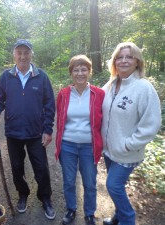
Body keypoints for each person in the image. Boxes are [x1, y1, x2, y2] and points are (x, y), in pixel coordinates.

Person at [0, 39, 56, 220]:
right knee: (17, 167)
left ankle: (45, 198)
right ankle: (23, 194)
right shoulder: (6, 76)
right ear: (14, 55)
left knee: (41, 167)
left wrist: (48, 129)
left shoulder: (41, 76)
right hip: (13, 132)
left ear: (31, 54)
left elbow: (50, 105)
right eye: (19, 52)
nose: (23, 56)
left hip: (36, 133)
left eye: (26, 52)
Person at [101, 42, 161, 225]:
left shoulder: (143, 88)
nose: (124, 60)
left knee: (113, 185)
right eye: (120, 57)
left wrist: (129, 144)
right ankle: (118, 217)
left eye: (129, 56)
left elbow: (152, 124)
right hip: (109, 150)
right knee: (116, 186)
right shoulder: (111, 84)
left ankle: (127, 218)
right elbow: (95, 103)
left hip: (127, 151)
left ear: (137, 62)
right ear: (114, 61)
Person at [55, 55, 104, 225]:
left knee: (89, 182)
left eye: (84, 69)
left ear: (89, 72)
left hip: (89, 147)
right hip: (67, 145)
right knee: (69, 181)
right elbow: (60, 119)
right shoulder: (63, 94)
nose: (80, 73)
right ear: (71, 73)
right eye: (76, 70)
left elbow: (104, 120)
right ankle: (71, 209)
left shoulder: (99, 94)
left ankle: (89, 213)